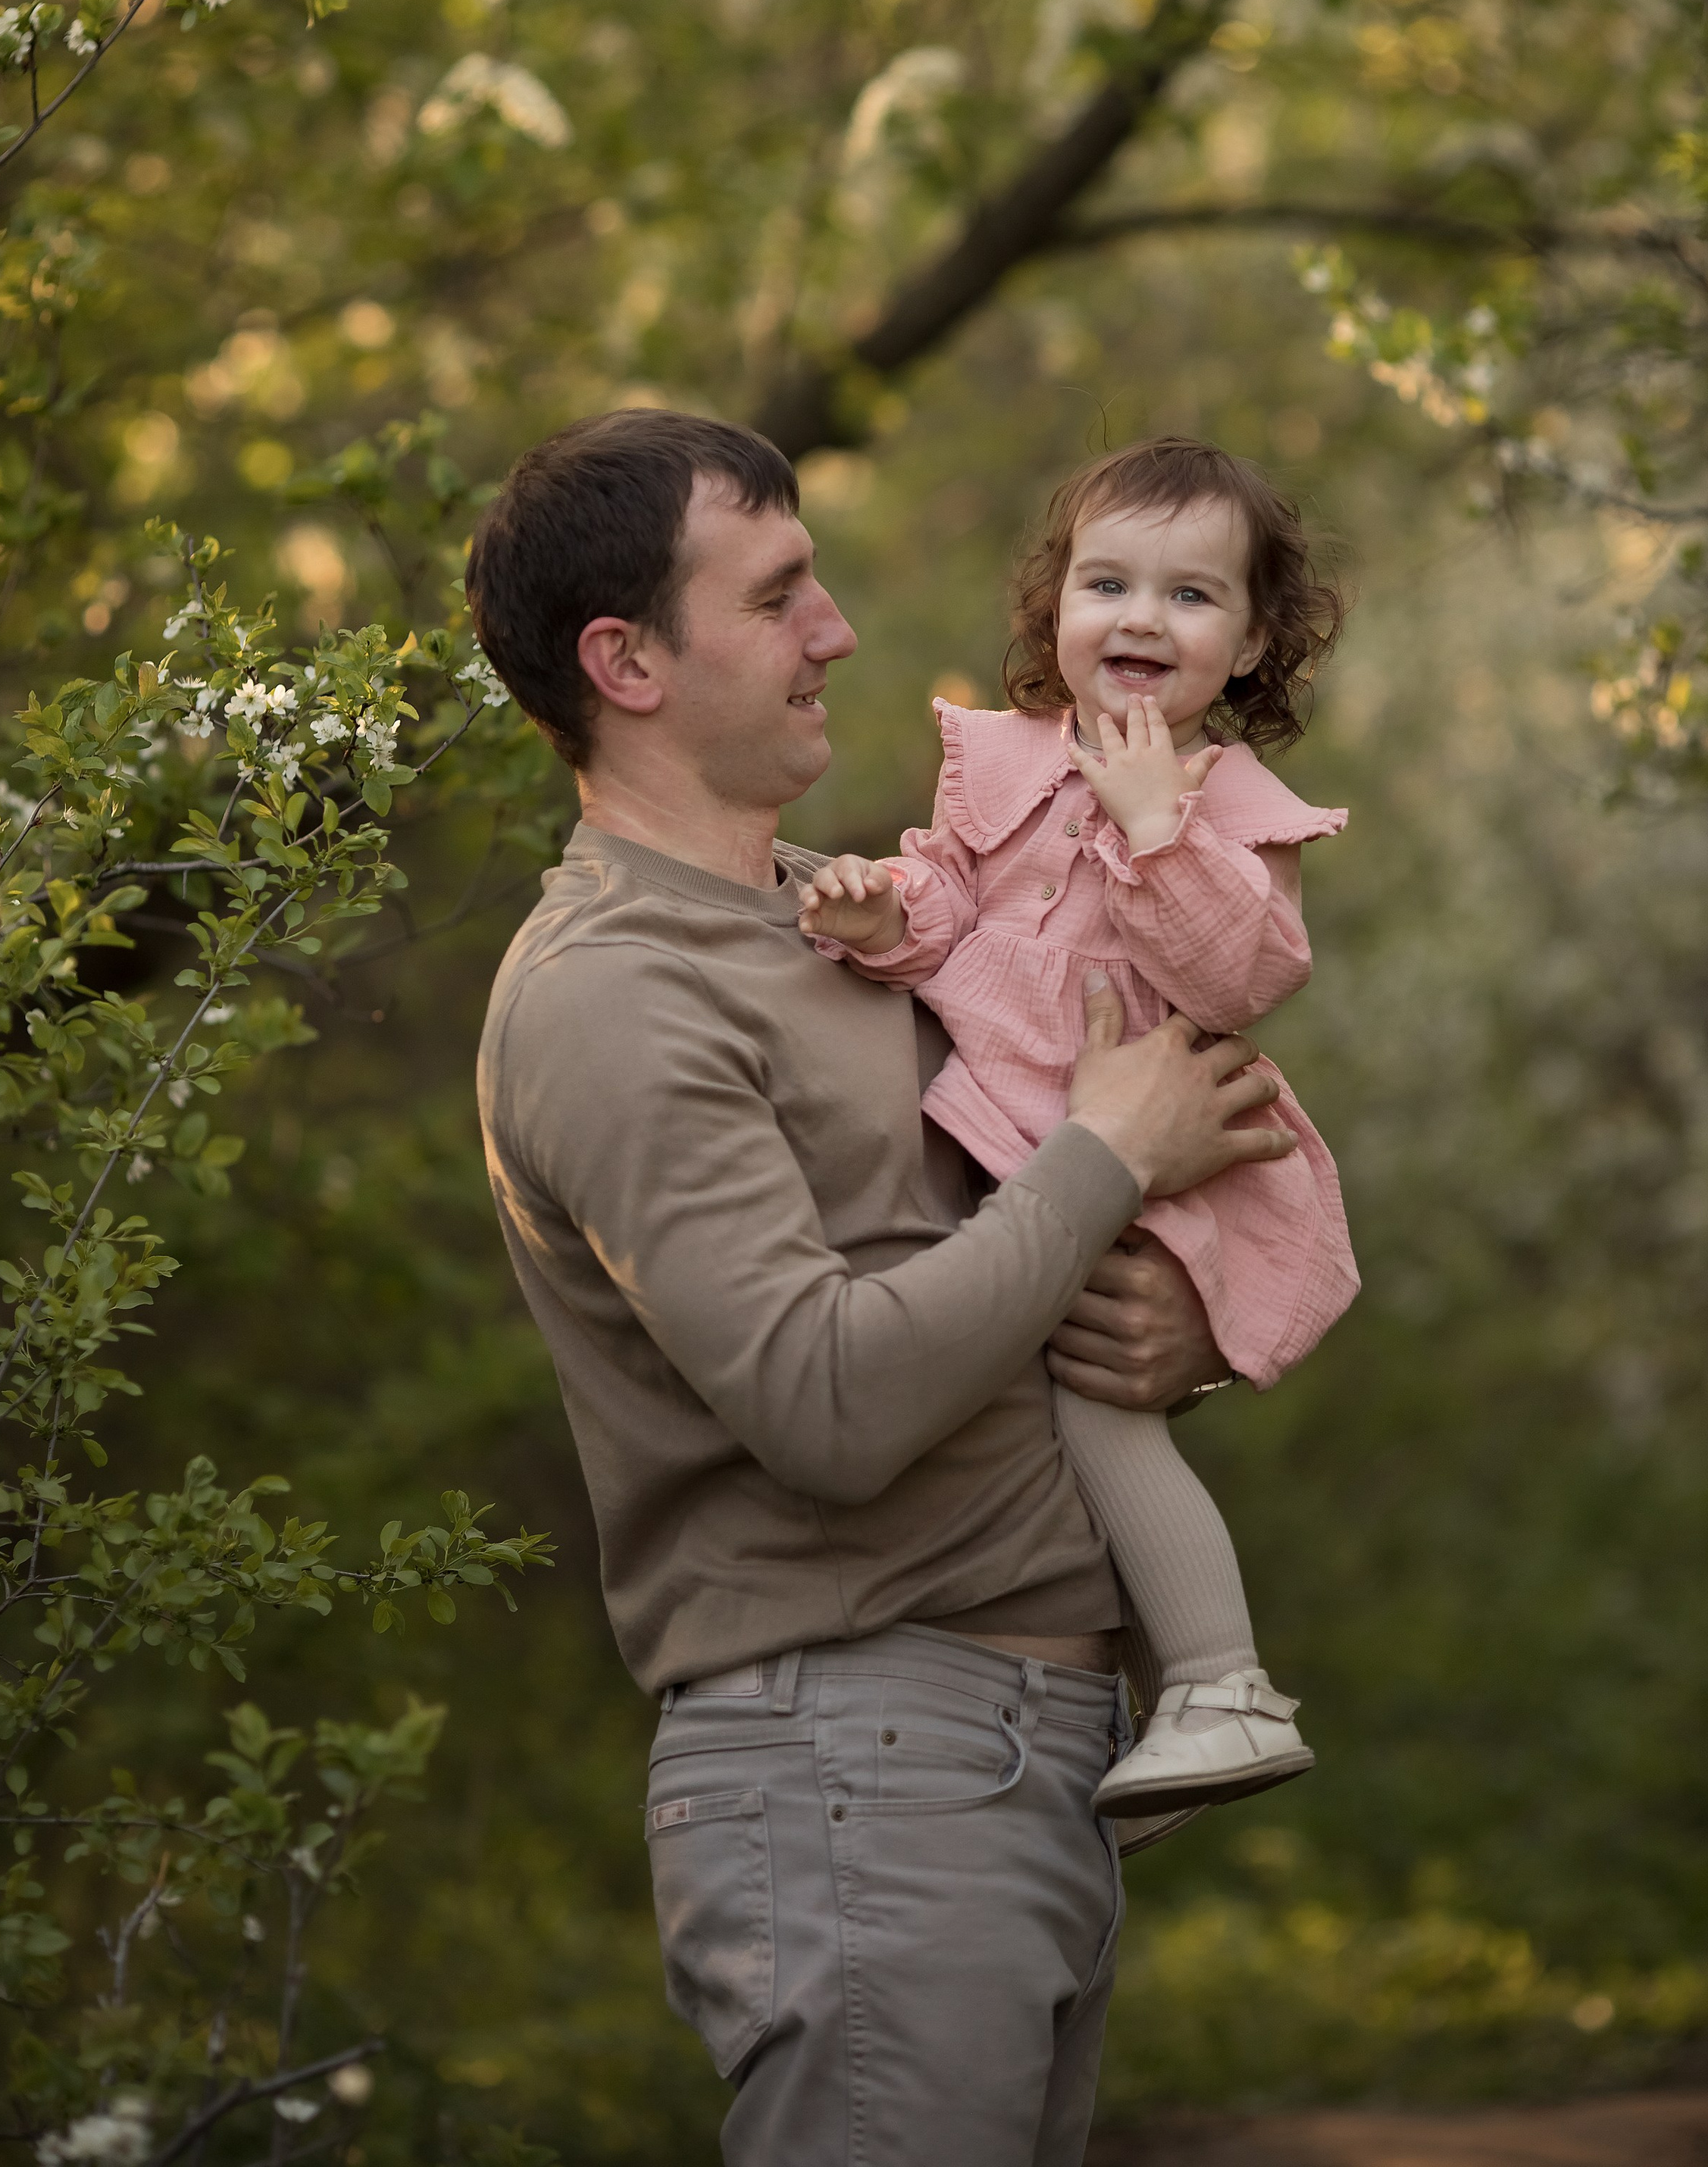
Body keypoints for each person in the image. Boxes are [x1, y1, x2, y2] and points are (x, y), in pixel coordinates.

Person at [466, 408, 1303, 2167]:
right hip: (861, 1760)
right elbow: (829, 1406)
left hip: (1022, 1759)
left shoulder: (852, 913)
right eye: (777, 598)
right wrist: (1106, 1163)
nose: (836, 630)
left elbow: (1012, 1241)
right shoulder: (609, 996)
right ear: (624, 660)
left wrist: (1169, 1344)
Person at [794, 436, 1356, 1822]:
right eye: (1108, 583)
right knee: (1027, 1414)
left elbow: (1244, 978)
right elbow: (945, 910)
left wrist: (1160, 829)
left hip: (1143, 1133)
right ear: (1056, 612)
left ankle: (1223, 1686)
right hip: (1023, 1129)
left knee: (1097, 1415)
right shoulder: (997, 762)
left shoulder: (1230, 807)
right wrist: (881, 916)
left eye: (1189, 595)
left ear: (1253, 640)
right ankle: (1162, 1724)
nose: (1142, 619)